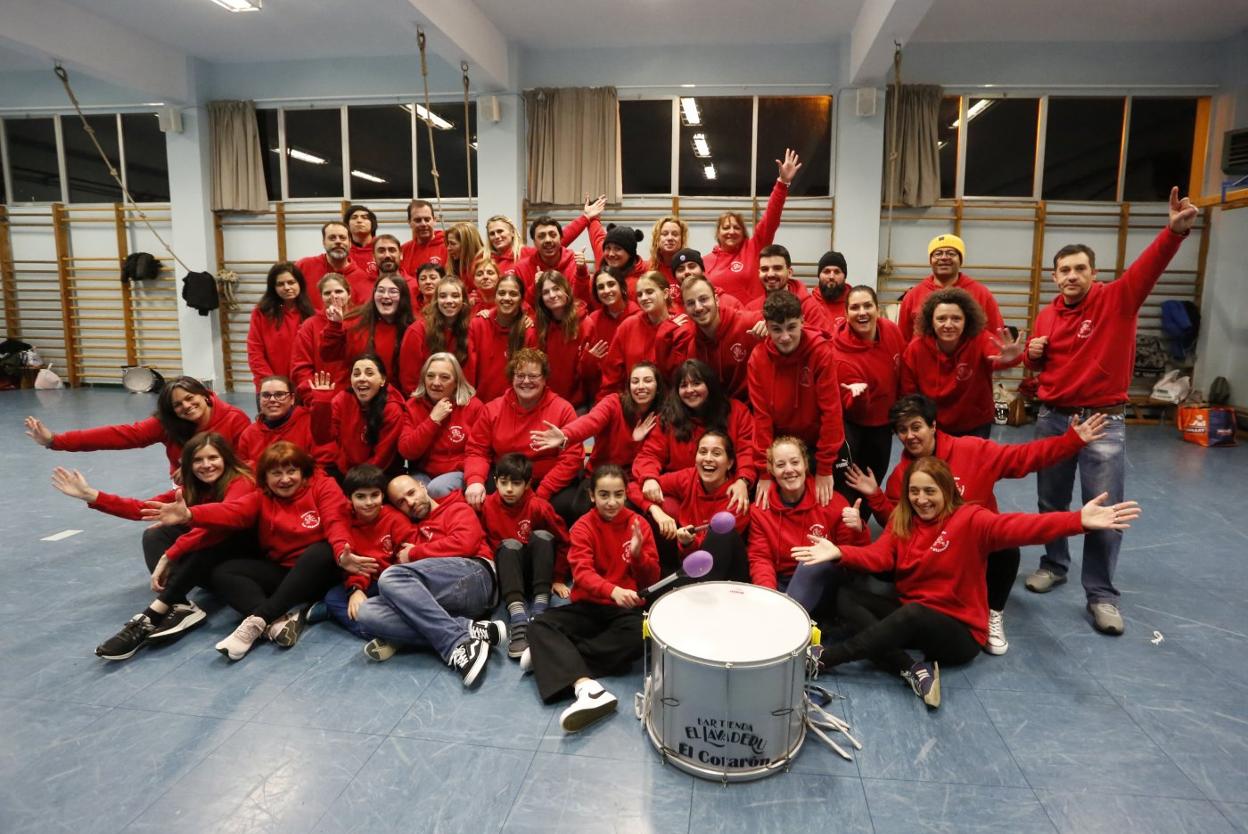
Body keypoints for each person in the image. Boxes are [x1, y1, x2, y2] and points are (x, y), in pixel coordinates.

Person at [795, 456, 1139, 708]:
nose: (921, 499)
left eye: (930, 491)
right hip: (915, 615)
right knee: (846, 596)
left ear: (946, 490)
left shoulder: (971, 520)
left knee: (912, 612)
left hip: (959, 634)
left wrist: (1077, 520)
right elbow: (880, 558)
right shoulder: (905, 522)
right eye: (914, 492)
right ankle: (910, 668)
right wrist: (840, 552)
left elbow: (1025, 526)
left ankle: (827, 659)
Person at [1023, 186, 1197, 635]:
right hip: (1054, 417)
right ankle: (1054, 563)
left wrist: (1172, 233)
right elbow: (1041, 367)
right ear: (1054, 276)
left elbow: (1148, 267)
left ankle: (1100, 594)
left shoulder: (1118, 299)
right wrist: (1033, 355)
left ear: (1093, 273)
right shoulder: (1045, 315)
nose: (1071, 276)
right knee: (1050, 501)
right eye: (1063, 271)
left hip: (1102, 419)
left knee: (1103, 507)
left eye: (1079, 269)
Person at [845, 394, 1109, 656]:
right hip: (934, 556)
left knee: (1007, 548)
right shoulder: (901, 476)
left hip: (975, 546)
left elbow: (1025, 457)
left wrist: (1070, 442)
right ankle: (916, 615)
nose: (910, 436)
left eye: (916, 427)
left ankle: (993, 612)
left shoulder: (972, 451)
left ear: (933, 425)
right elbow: (897, 526)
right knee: (884, 569)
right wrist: (877, 499)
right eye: (902, 431)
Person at [51, 432, 257, 660]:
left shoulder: (242, 480)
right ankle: (179, 604)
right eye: (198, 460)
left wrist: (171, 553)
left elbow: (228, 517)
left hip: (245, 562)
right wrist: (92, 496)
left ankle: (152, 614)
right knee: (155, 533)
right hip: (210, 566)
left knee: (211, 539)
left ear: (226, 459)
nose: (206, 465)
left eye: (213, 458)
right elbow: (145, 508)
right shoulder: (193, 489)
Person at [141, 441, 352, 661]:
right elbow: (231, 512)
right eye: (276, 473)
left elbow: (336, 521)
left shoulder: (323, 486)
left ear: (303, 472)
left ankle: (258, 620)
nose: (285, 479)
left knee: (320, 551)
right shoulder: (262, 497)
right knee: (224, 572)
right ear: (266, 478)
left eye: (292, 471)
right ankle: (278, 622)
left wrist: (340, 552)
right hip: (285, 573)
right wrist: (190, 515)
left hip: (322, 572)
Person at [522, 465, 659, 733]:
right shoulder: (583, 526)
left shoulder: (639, 524)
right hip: (589, 606)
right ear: (592, 495)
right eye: (604, 495)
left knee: (640, 637)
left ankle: (551, 656)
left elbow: (650, 579)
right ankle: (588, 688)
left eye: (618, 495)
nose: (612, 502)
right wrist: (613, 591)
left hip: (624, 612)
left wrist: (639, 555)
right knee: (538, 624)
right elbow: (582, 574)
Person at [353, 475, 504, 686]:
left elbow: (465, 544)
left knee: (392, 577)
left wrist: (416, 553)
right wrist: (356, 585)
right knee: (367, 612)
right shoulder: (412, 532)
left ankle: (456, 643)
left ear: (423, 487)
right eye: (401, 503)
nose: (411, 503)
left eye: (411, 493)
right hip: (447, 600)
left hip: (476, 576)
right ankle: (468, 629)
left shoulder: (455, 508)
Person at [25, 375, 250, 478]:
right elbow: (118, 436)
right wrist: (55, 440)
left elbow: (246, 462)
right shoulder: (168, 423)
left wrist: (193, 469)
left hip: (226, 481)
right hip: (189, 488)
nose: (187, 407)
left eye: (191, 398)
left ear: (205, 396)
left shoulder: (234, 418)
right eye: (178, 405)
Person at [463, 348, 584, 523]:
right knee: (477, 497)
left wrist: (542, 492)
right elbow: (477, 450)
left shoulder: (563, 410)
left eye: (533, 376)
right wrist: (475, 480)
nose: (526, 381)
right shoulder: (492, 409)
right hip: (505, 481)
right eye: (520, 375)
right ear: (512, 378)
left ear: (544, 379)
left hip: (547, 483)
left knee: (567, 504)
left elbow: (571, 458)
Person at [747, 436, 869, 609]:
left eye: (795, 462)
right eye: (780, 465)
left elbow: (856, 560)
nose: (789, 470)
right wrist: (770, 594)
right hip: (782, 585)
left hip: (824, 582)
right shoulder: (760, 510)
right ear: (771, 470)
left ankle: (786, 618)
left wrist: (859, 530)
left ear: (805, 464)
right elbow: (761, 559)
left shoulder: (833, 501)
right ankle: (783, 612)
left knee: (812, 558)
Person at [748, 291, 844, 509]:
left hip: (815, 440)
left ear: (802, 321)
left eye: (791, 327)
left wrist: (825, 468)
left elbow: (831, 412)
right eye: (776, 329)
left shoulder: (820, 352)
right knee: (765, 502)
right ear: (767, 327)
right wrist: (764, 471)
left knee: (828, 501)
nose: (784, 337)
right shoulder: (758, 358)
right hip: (780, 445)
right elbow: (761, 419)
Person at [633, 359, 756, 516]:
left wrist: (743, 480)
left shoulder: (737, 412)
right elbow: (650, 454)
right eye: (684, 386)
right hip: (681, 493)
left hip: (724, 492)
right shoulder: (668, 417)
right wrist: (649, 478)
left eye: (696, 383)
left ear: (709, 385)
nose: (690, 390)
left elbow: (747, 450)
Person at [479, 453, 571, 659]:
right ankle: (518, 618)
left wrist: (557, 577)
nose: (509, 489)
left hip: (539, 575)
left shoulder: (539, 506)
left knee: (543, 536)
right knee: (509, 545)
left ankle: (540, 609)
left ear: (528, 484)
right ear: (495, 481)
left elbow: (564, 541)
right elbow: (481, 542)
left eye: (516, 483)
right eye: (503, 483)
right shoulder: (487, 506)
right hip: (508, 576)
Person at [901, 287, 1025, 438]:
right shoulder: (916, 348)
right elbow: (909, 392)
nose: (948, 325)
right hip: (933, 425)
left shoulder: (981, 339)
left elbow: (997, 360)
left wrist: (1011, 359)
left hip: (975, 424)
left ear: (967, 320)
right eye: (941, 319)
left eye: (956, 319)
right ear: (930, 321)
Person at [633, 430, 751, 578]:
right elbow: (632, 488)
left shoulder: (738, 498)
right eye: (703, 452)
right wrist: (655, 510)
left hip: (723, 571)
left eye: (716, 453)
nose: (708, 458)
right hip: (688, 562)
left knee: (720, 534)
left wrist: (689, 543)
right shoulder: (689, 477)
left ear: (730, 463)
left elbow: (709, 554)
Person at [319, 464, 413, 641]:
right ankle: (382, 635)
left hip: (392, 580)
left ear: (383, 495)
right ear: (349, 498)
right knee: (332, 598)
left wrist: (358, 587)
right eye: (361, 497)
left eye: (374, 495)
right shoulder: (347, 520)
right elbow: (356, 564)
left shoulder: (395, 519)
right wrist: (355, 589)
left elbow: (405, 559)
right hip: (367, 581)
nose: (369, 502)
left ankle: (391, 631)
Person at [832, 286, 904, 511]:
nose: (862, 312)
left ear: (877, 309)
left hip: (883, 423)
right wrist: (860, 398)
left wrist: (900, 414)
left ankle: (861, 522)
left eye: (867, 306)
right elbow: (850, 408)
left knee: (875, 475)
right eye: (854, 307)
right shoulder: (839, 355)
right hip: (852, 424)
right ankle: (844, 526)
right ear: (846, 314)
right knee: (848, 478)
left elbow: (902, 372)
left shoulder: (892, 331)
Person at [531, 360, 664, 477]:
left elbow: (651, 458)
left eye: (647, 381)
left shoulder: (662, 415)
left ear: (658, 387)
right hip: (599, 475)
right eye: (635, 381)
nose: (640, 387)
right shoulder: (614, 403)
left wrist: (635, 442)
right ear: (628, 387)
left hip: (633, 479)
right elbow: (590, 422)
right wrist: (565, 434)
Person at [703, 149, 801, 302]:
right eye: (726, 227)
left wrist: (782, 184)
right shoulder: (705, 262)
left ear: (743, 233)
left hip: (756, 322)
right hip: (722, 324)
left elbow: (771, 219)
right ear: (718, 233)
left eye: (737, 227)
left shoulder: (754, 248)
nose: (731, 231)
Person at [399, 352, 483, 498]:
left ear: (456, 382)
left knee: (437, 489)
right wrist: (432, 420)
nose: (436, 382)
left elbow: (479, 451)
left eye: (444, 377)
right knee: (409, 494)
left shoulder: (473, 406)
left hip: (460, 473)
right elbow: (407, 451)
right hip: (423, 472)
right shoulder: (412, 406)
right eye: (430, 376)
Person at [308, 355, 405, 482]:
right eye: (356, 374)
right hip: (348, 472)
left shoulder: (392, 408)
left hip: (382, 474)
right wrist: (321, 403)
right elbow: (322, 438)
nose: (362, 379)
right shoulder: (343, 399)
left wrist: (354, 482)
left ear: (382, 380)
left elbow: (381, 459)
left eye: (369, 373)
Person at [897, 233, 1004, 343]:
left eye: (951, 253)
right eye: (938, 254)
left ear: (960, 260)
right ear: (930, 260)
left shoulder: (981, 293)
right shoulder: (913, 295)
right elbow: (903, 339)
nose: (944, 257)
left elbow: (996, 335)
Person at [599, 271, 691, 395]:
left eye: (649, 292)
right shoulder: (628, 326)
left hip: (672, 402)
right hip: (635, 403)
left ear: (665, 293)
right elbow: (612, 377)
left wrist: (665, 331)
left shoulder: (682, 326)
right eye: (640, 294)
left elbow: (680, 376)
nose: (644, 298)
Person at [320, 274, 415, 390]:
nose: (385, 296)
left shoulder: (412, 330)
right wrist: (334, 326)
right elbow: (328, 355)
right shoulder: (354, 323)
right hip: (353, 396)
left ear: (403, 297)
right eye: (380, 290)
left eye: (393, 291)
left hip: (390, 399)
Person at [680, 274, 761, 400]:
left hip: (757, 410)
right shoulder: (694, 348)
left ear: (716, 300)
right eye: (691, 303)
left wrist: (770, 325)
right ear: (685, 309)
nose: (698, 307)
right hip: (724, 413)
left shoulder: (746, 322)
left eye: (703, 299)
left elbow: (798, 326)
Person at [465, 274, 535, 404]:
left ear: (521, 299)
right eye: (502, 293)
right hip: (480, 405)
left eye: (513, 294)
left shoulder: (529, 332)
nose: (507, 298)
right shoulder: (478, 325)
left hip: (514, 407)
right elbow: (469, 372)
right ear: (495, 297)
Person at [398, 275, 471, 396]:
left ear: (464, 301)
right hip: (424, 402)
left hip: (458, 400)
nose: (449, 301)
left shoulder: (469, 329)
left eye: (455, 296)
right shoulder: (417, 331)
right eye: (443, 296)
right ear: (435, 301)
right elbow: (409, 381)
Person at [247, 262, 314, 391]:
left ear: (300, 283)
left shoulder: (311, 314)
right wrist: (272, 384)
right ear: (273, 287)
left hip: (303, 387)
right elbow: (255, 352)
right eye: (280, 284)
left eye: (291, 282)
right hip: (270, 387)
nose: (287, 287)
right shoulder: (261, 313)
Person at [743, 244, 836, 335]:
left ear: (790, 272)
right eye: (765, 269)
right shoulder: (750, 308)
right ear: (759, 273)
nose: (770, 274)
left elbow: (827, 341)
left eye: (777, 268)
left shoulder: (809, 306)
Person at [535, 271, 596, 405]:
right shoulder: (539, 325)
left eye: (556, 289)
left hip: (578, 404)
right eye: (546, 292)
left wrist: (590, 360)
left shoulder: (585, 324)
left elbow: (591, 375)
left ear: (566, 290)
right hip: (546, 402)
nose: (552, 295)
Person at [289, 273, 352, 403]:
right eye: (327, 293)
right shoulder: (309, 325)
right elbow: (300, 368)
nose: (333, 296)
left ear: (349, 294)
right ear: (321, 297)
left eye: (339, 291)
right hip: (321, 397)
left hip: (355, 397)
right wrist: (313, 396)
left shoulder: (360, 321)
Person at [580, 270, 640, 403]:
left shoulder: (639, 316)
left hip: (636, 394)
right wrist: (590, 360)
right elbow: (585, 374)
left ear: (622, 287)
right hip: (603, 396)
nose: (606, 290)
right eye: (600, 287)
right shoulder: (592, 321)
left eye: (611, 284)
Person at [235, 375, 320, 466]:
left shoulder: (309, 425)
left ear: (292, 399)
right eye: (266, 395)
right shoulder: (248, 434)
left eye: (279, 394)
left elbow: (319, 468)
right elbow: (243, 472)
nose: (272, 400)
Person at [295, 221, 368, 309]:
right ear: (324, 242)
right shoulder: (303, 266)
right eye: (332, 238)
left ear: (350, 243)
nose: (338, 241)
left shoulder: (362, 278)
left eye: (342, 238)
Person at [400, 199, 448, 276]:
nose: (423, 224)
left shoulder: (448, 247)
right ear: (409, 222)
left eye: (427, 219)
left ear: (434, 220)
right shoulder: (403, 250)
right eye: (418, 220)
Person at [445, 221, 486, 292]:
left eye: (453, 244)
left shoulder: (486, 265)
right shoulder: (453, 266)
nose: (448, 248)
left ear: (466, 245)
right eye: (448, 243)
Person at [812, 250, 850, 326]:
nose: (831, 277)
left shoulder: (855, 304)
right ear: (819, 276)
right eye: (826, 271)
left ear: (844, 276)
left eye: (837, 272)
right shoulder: (809, 304)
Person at [484, 214, 528, 278]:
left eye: (500, 231)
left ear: (512, 232)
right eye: (492, 233)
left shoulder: (528, 253)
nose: (496, 236)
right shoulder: (484, 259)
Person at [373, 234, 414, 300]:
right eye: (381, 251)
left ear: (401, 255)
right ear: (373, 257)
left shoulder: (414, 286)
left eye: (392, 250)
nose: (387, 255)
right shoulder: (364, 286)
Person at [343, 204, 378, 279]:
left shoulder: (383, 248)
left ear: (372, 224)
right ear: (347, 225)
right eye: (354, 217)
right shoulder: (342, 252)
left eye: (364, 217)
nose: (359, 221)